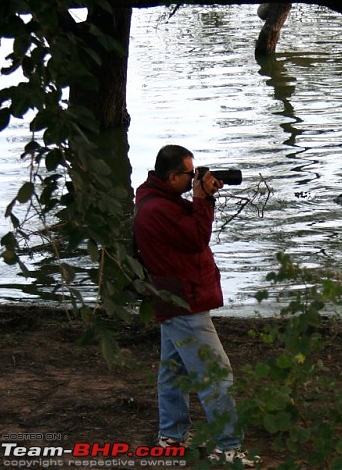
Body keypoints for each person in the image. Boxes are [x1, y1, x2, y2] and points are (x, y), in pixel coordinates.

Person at [133, 145, 258, 467]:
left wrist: (205, 197)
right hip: (183, 303)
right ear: (173, 176)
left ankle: (171, 437)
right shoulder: (158, 208)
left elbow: (186, 230)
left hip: (175, 298)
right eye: (190, 174)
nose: (194, 178)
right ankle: (228, 448)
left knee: (173, 371)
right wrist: (202, 200)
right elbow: (196, 238)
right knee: (216, 373)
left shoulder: (160, 199)